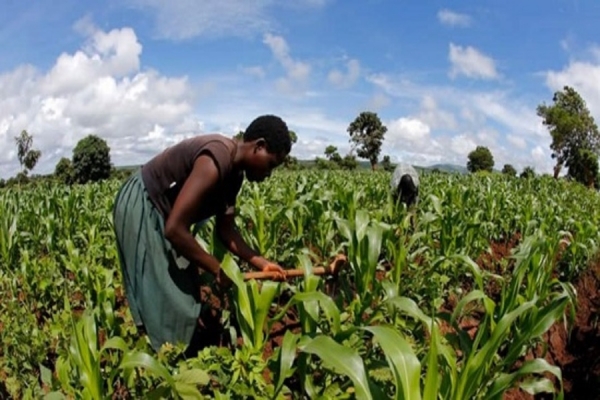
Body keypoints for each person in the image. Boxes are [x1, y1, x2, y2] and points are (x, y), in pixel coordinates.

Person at [112, 114, 291, 354]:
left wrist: (261, 263)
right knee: (166, 292)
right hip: (144, 203)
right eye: (271, 164)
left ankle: (170, 348)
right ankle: (160, 359)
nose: (269, 174)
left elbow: (226, 231)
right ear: (259, 146)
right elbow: (175, 229)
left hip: (165, 216)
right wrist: (217, 269)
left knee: (183, 288)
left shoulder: (234, 177)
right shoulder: (215, 159)